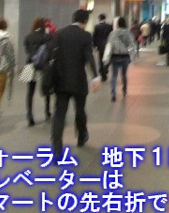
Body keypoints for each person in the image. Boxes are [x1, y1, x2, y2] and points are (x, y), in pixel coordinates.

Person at [51, 10, 100, 158]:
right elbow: (89, 56)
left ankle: (57, 150)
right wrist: (95, 77)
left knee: (59, 115)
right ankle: (81, 136)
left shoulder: (59, 34)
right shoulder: (85, 36)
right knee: (80, 110)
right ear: (85, 21)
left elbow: (53, 55)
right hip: (79, 80)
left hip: (60, 80)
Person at [23, 17, 52, 126]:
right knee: (47, 88)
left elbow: (27, 51)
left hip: (30, 64)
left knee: (30, 91)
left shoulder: (28, 37)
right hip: (44, 65)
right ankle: (47, 112)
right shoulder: (47, 36)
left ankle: (30, 115)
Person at [105, 17, 136, 102]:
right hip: (125, 57)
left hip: (115, 57)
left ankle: (113, 93)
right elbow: (132, 45)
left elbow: (109, 45)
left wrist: (107, 57)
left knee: (114, 75)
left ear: (117, 24)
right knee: (124, 74)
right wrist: (132, 55)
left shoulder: (112, 33)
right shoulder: (128, 33)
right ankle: (124, 90)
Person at [92, 14, 112, 81]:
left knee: (100, 59)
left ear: (99, 19)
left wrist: (94, 45)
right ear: (105, 18)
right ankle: (105, 69)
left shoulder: (96, 27)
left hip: (100, 46)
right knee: (107, 59)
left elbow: (94, 37)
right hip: (108, 45)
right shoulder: (109, 26)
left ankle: (102, 73)